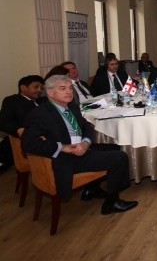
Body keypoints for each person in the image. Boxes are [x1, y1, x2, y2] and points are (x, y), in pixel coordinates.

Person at [21, 75, 138, 214]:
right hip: (65, 158)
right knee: (119, 157)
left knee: (114, 147)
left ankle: (91, 189)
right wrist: (62, 147)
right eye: (63, 89)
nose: (69, 92)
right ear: (50, 92)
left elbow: (86, 127)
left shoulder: (71, 106)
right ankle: (111, 203)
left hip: (79, 147)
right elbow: (27, 143)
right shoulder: (41, 114)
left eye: (70, 88)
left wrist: (85, 143)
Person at [0, 75, 45, 170]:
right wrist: (18, 129)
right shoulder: (12, 101)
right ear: (23, 88)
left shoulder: (43, 100)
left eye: (41, 88)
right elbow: (4, 122)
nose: (39, 90)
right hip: (27, 140)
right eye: (36, 87)